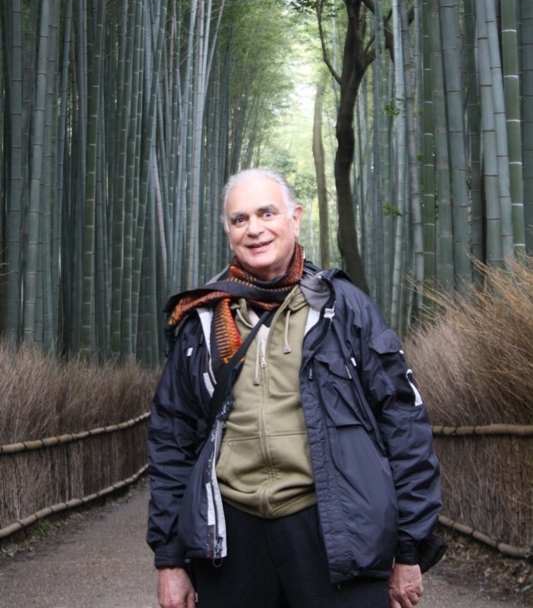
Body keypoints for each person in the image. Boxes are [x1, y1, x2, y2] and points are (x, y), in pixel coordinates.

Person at [147, 168, 444, 608]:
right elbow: (171, 439)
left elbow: (404, 423)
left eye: (267, 213)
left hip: (335, 525)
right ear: (228, 232)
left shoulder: (344, 308)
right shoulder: (203, 320)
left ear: (295, 218)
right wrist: (170, 560)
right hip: (232, 536)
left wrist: (408, 548)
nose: (255, 229)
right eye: (240, 219)